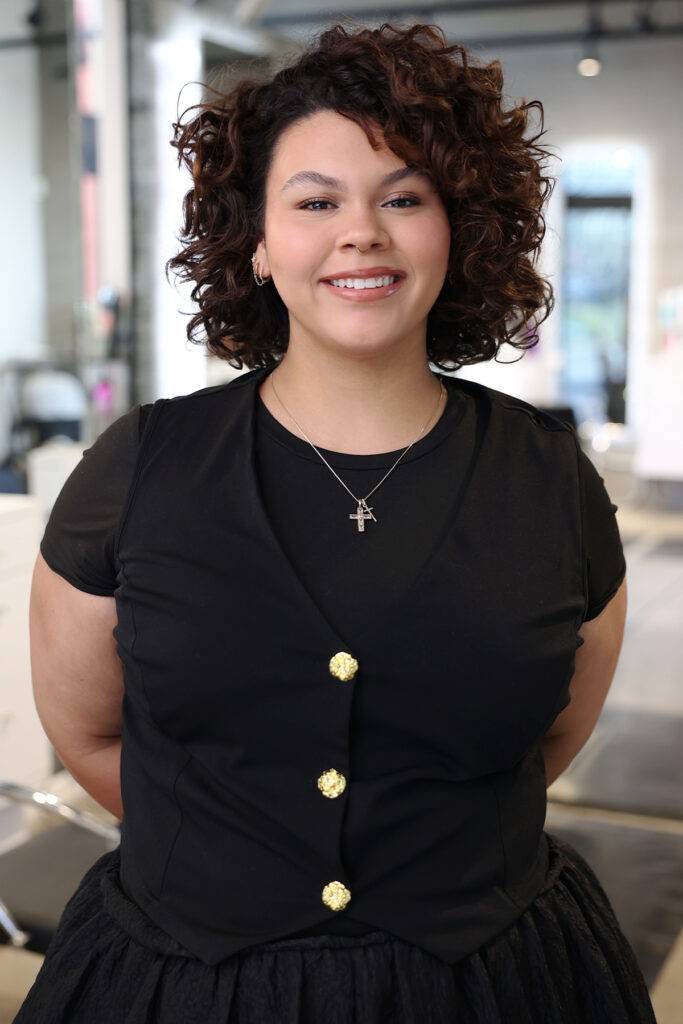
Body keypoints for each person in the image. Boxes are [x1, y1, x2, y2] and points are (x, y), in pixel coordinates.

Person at [15, 20, 656, 1024]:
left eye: (403, 198)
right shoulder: (139, 467)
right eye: (315, 202)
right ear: (258, 244)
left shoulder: (546, 479)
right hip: (186, 982)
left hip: (489, 982)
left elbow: (545, 740)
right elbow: (88, 733)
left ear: (457, 230)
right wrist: (232, 854)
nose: (361, 232)